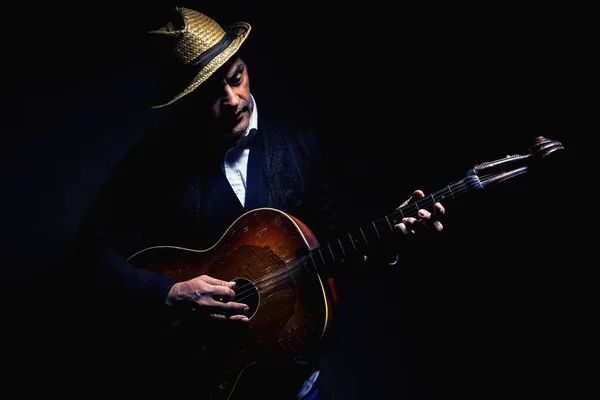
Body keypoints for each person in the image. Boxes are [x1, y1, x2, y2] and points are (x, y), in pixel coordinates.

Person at [66, 6, 446, 400]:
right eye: (212, 94)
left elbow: (333, 245)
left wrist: (388, 242)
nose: (232, 100)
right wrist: (171, 292)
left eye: (237, 78)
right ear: (184, 102)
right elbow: (88, 252)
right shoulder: (152, 161)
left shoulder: (298, 145)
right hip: (195, 377)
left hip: (292, 380)